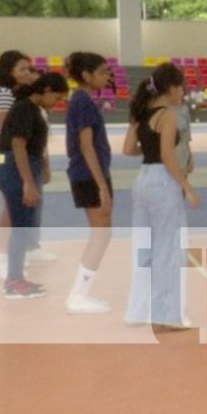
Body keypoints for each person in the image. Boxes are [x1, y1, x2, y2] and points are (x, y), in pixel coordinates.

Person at [123, 63, 201, 329]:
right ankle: (165, 315)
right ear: (171, 88)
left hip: (143, 178)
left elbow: (128, 149)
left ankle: (138, 311)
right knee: (168, 249)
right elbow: (168, 155)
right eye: (181, 87)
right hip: (163, 182)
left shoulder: (141, 112)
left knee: (143, 248)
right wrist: (186, 187)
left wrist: (150, 151)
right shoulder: (167, 114)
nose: (183, 93)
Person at [0, 73, 69, 298]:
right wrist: (27, 183)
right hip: (13, 168)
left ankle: (16, 278)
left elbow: (33, 144)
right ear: (46, 90)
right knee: (22, 224)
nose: (57, 103)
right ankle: (14, 281)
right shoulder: (25, 108)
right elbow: (18, 144)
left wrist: (42, 167)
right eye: (57, 97)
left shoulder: (33, 109)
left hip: (18, 167)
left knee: (23, 223)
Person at [0, 50, 56, 281]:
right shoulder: (6, 94)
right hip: (9, 156)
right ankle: (1, 256)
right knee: (12, 205)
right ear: (9, 72)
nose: (27, 73)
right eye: (22, 69)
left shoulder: (22, 95)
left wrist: (43, 163)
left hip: (27, 155)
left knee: (29, 202)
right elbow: (13, 132)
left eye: (29, 69)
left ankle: (29, 246)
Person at [64, 52, 114, 314]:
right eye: (103, 71)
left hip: (91, 174)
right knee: (101, 234)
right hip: (88, 175)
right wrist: (102, 186)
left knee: (102, 234)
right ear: (86, 75)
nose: (107, 76)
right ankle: (78, 295)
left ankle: (80, 293)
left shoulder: (84, 100)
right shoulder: (82, 102)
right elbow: (86, 146)